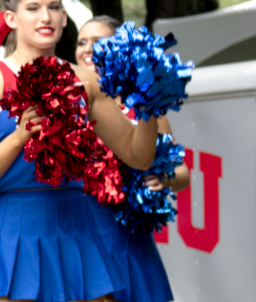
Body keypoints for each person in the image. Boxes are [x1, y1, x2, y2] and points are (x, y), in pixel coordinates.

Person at [0, 0, 159, 302]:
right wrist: (19, 137)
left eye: (54, 7)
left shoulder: (87, 81)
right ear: (11, 18)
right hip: (16, 230)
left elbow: (138, 156)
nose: (46, 17)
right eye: (33, 8)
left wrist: (150, 102)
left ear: (64, 18)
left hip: (76, 227)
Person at [74, 17, 185, 302]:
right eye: (82, 42)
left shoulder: (144, 106)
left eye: (98, 42)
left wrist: (162, 179)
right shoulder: (68, 104)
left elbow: (182, 173)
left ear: (122, 49)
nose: (87, 49)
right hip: (82, 233)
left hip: (130, 238)